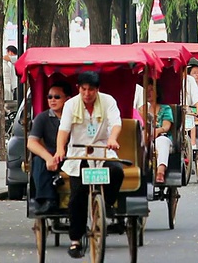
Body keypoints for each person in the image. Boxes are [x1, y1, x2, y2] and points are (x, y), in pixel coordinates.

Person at [54, 72, 124, 259]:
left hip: (102, 150)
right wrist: (60, 149)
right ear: (79, 89)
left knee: (116, 171)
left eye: (91, 90)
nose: (87, 93)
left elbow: (116, 123)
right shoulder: (70, 105)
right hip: (79, 154)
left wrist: (112, 138)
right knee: (77, 195)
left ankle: (107, 204)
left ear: (97, 89)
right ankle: (76, 241)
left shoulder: (108, 101)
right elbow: (64, 130)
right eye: (83, 89)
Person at [27, 82, 73, 214]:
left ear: (68, 99)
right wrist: (48, 158)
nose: (52, 100)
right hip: (53, 155)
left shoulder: (76, 116)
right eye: (49, 97)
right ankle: (47, 200)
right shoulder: (42, 118)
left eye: (57, 97)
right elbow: (32, 142)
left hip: (74, 155)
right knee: (38, 161)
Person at [139, 83, 174, 184]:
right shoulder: (141, 109)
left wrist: (157, 131)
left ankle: (160, 172)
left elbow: (166, 126)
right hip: (145, 136)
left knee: (162, 142)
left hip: (161, 137)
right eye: (147, 90)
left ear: (157, 93)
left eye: (151, 90)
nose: (149, 93)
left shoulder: (165, 108)